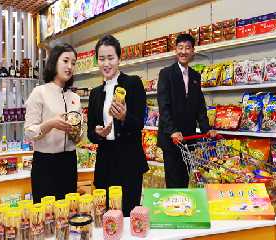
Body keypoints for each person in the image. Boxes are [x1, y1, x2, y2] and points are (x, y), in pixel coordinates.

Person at [87, 35, 148, 217]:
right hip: (106, 162)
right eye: (102, 58)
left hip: (129, 161)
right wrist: (98, 133)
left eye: (111, 58)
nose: (106, 63)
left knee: (129, 214)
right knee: (107, 215)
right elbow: (91, 132)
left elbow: (139, 123)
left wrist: (124, 117)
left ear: (119, 59)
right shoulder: (95, 93)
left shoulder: (133, 83)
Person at [24, 43, 80, 203]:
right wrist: (50, 124)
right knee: (47, 216)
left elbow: (77, 138)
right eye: (66, 61)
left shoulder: (74, 98)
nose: (70, 66)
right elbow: (28, 132)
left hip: (69, 161)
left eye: (73, 63)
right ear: (54, 61)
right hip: (45, 163)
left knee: (69, 211)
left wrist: (76, 132)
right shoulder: (39, 92)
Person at [157, 33, 214, 188]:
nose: (184, 51)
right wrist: (172, 131)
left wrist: (206, 129)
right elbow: (164, 105)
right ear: (176, 50)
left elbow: (200, 107)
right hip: (171, 138)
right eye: (180, 47)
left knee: (185, 178)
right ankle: (173, 210)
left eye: (187, 48)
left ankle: (183, 209)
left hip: (189, 138)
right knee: (173, 180)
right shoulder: (166, 74)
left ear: (193, 51)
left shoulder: (196, 76)